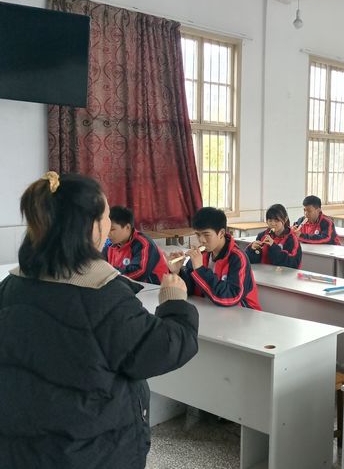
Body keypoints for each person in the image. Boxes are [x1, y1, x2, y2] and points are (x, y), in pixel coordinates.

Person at [0, 172, 198, 469]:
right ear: (90, 227)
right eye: (105, 217)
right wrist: (175, 303)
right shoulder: (102, 295)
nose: (108, 225)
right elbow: (163, 348)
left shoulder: (10, 287)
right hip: (90, 450)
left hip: (20, 446)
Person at [168, 207, 261, 310]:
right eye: (198, 235)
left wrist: (200, 270)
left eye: (206, 235)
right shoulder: (201, 255)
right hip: (212, 310)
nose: (201, 240)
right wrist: (177, 272)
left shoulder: (237, 258)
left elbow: (231, 297)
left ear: (221, 233)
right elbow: (190, 290)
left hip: (244, 313)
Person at [103, 205, 169, 284]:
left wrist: (109, 273)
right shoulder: (109, 245)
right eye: (106, 229)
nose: (108, 233)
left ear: (127, 227)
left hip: (154, 288)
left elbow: (138, 273)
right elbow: (99, 265)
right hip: (123, 285)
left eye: (112, 229)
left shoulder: (143, 244)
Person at [245, 204, 302, 269]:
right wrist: (252, 249)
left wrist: (273, 246)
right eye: (270, 220)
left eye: (276, 220)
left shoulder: (292, 239)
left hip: (282, 274)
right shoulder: (262, 236)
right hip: (264, 272)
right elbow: (253, 261)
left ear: (285, 219)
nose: (273, 224)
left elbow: (292, 264)